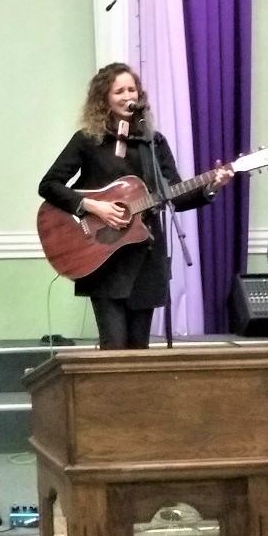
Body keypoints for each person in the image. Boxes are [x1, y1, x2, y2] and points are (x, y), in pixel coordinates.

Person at [39, 62, 232, 349]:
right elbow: (49, 185)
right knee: (115, 346)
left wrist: (211, 187)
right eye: (119, 91)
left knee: (139, 349)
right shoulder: (87, 141)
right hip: (104, 256)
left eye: (132, 89)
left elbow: (175, 196)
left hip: (146, 259)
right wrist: (93, 207)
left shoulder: (153, 143)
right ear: (104, 98)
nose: (128, 95)